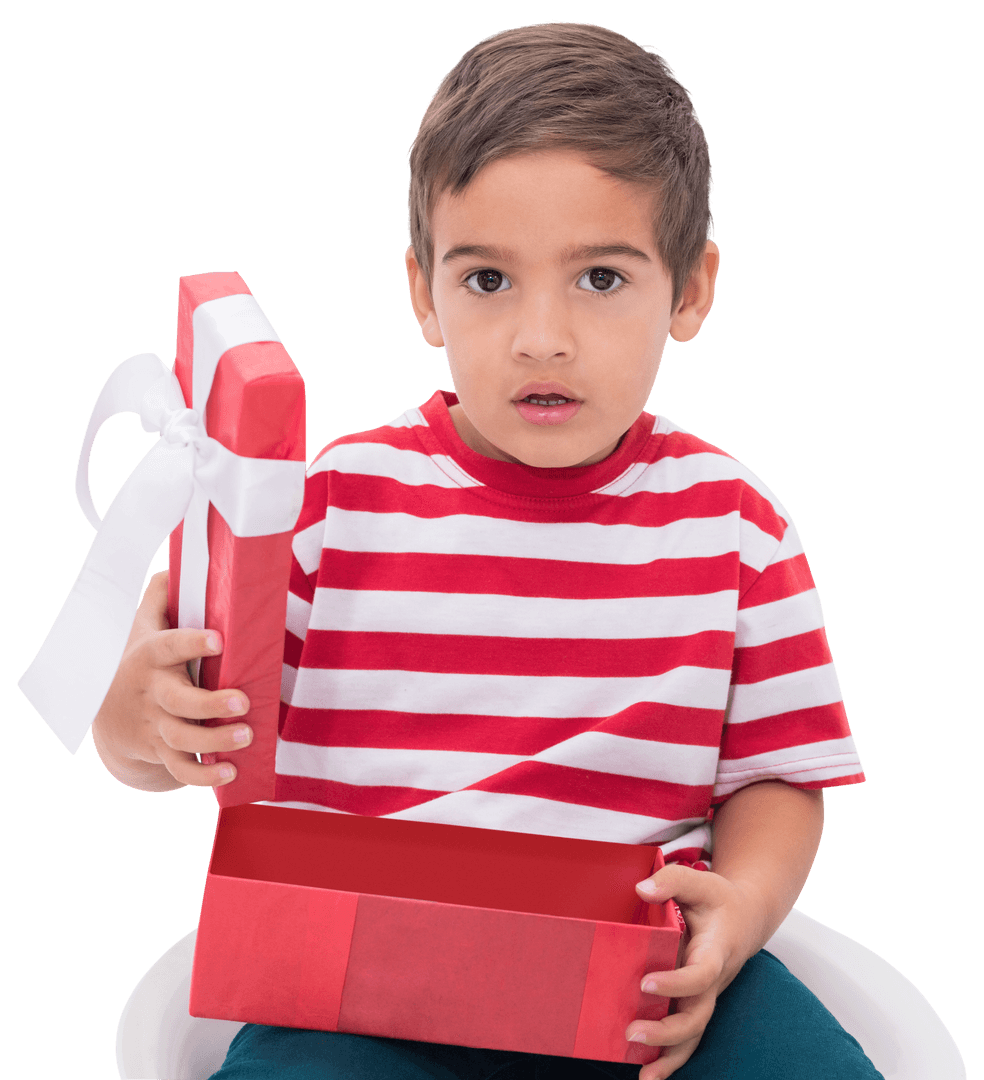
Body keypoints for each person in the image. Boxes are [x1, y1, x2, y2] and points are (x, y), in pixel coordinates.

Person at [91, 21, 884, 1080]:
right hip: (361, 985)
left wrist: (738, 908)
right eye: (487, 281)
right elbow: (177, 734)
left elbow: (781, 780)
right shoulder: (325, 509)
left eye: (600, 279)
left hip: (642, 981)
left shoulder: (737, 523)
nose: (540, 336)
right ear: (424, 290)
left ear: (690, 289)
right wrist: (135, 719)